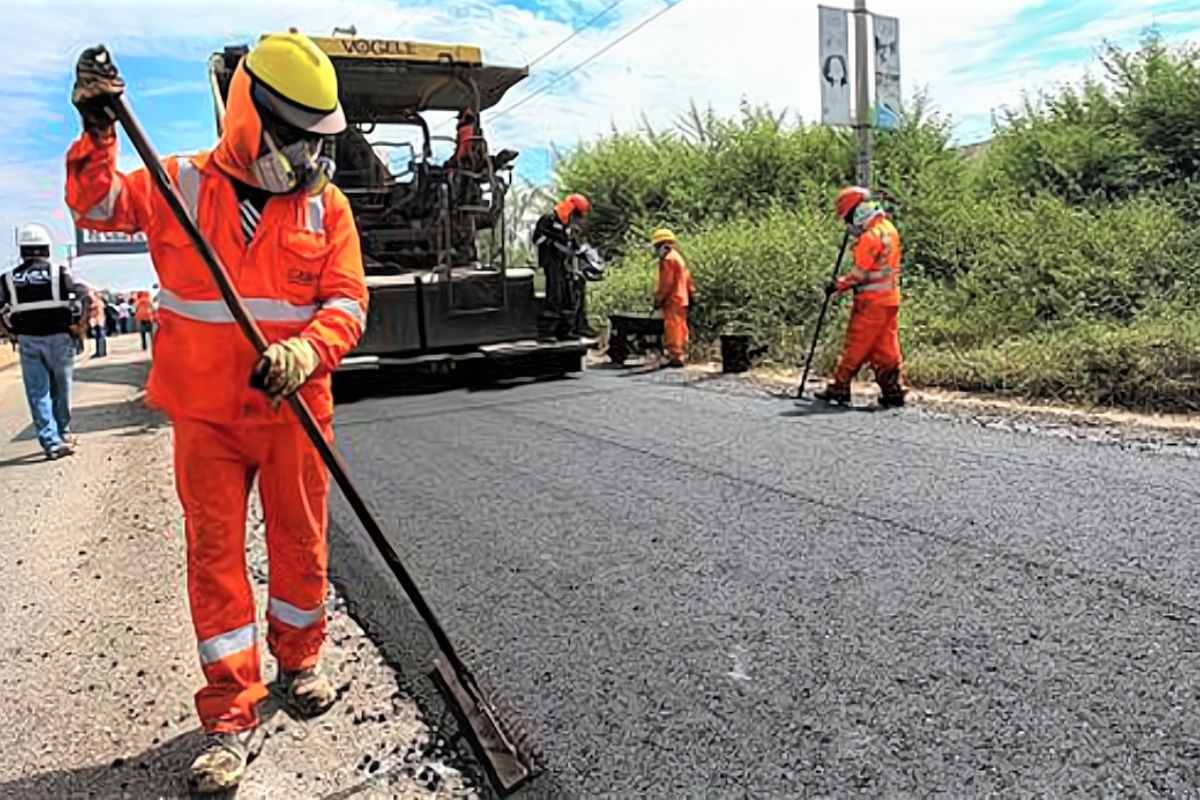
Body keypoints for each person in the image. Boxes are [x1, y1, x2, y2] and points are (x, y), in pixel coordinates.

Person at [66, 31, 367, 793]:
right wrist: (99, 131)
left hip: (295, 409)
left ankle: (301, 661)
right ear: (249, 116)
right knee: (216, 560)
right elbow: (97, 203)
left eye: (316, 138)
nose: (307, 154)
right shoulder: (180, 185)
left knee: (301, 546)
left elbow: (347, 302)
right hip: (205, 416)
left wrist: (307, 351)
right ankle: (231, 712)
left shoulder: (324, 207)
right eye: (294, 135)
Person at [0, 222, 91, 459]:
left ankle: (51, 442)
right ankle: (63, 431)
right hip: (59, 339)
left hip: (28, 340)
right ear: (47, 249)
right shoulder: (59, 272)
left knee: (37, 392)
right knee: (61, 388)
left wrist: (9, 333)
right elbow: (82, 296)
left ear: (22, 251)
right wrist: (78, 326)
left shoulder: (7, 279)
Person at [815, 186, 906, 408]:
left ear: (857, 212)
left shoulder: (870, 237)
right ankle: (893, 390)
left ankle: (839, 387)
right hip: (890, 300)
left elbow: (859, 274)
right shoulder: (889, 230)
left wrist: (837, 286)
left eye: (848, 217)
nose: (848, 224)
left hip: (871, 302)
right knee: (886, 348)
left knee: (856, 344)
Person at [532, 192, 595, 340]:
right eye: (577, 214)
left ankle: (565, 331)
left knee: (569, 296)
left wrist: (582, 252)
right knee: (554, 296)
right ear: (571, 209)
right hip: (551, 264)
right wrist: (553, 244)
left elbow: (573, 244)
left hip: (565, 264)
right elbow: (537, 238)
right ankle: (546, 332)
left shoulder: (567, 225)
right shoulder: (548, 219)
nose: (578, 218)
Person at [649, 228, 695, 368]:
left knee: (673, 327)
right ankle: (683, 353)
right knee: (681, 326)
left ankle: (675, 356)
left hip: (673, 299)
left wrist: (658, 299)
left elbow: (666, 283)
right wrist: (692, 293)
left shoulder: (668, 260)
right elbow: (687, 278)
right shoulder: (678, 257)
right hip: (682, 298)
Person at [87, 287, 108, 357]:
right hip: (99, 321)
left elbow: (96, 312)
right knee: (99, 337)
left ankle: (100, 352)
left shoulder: (97, 303)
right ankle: (101, 351)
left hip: (98, 321)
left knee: (100, 336)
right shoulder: (99, 302)